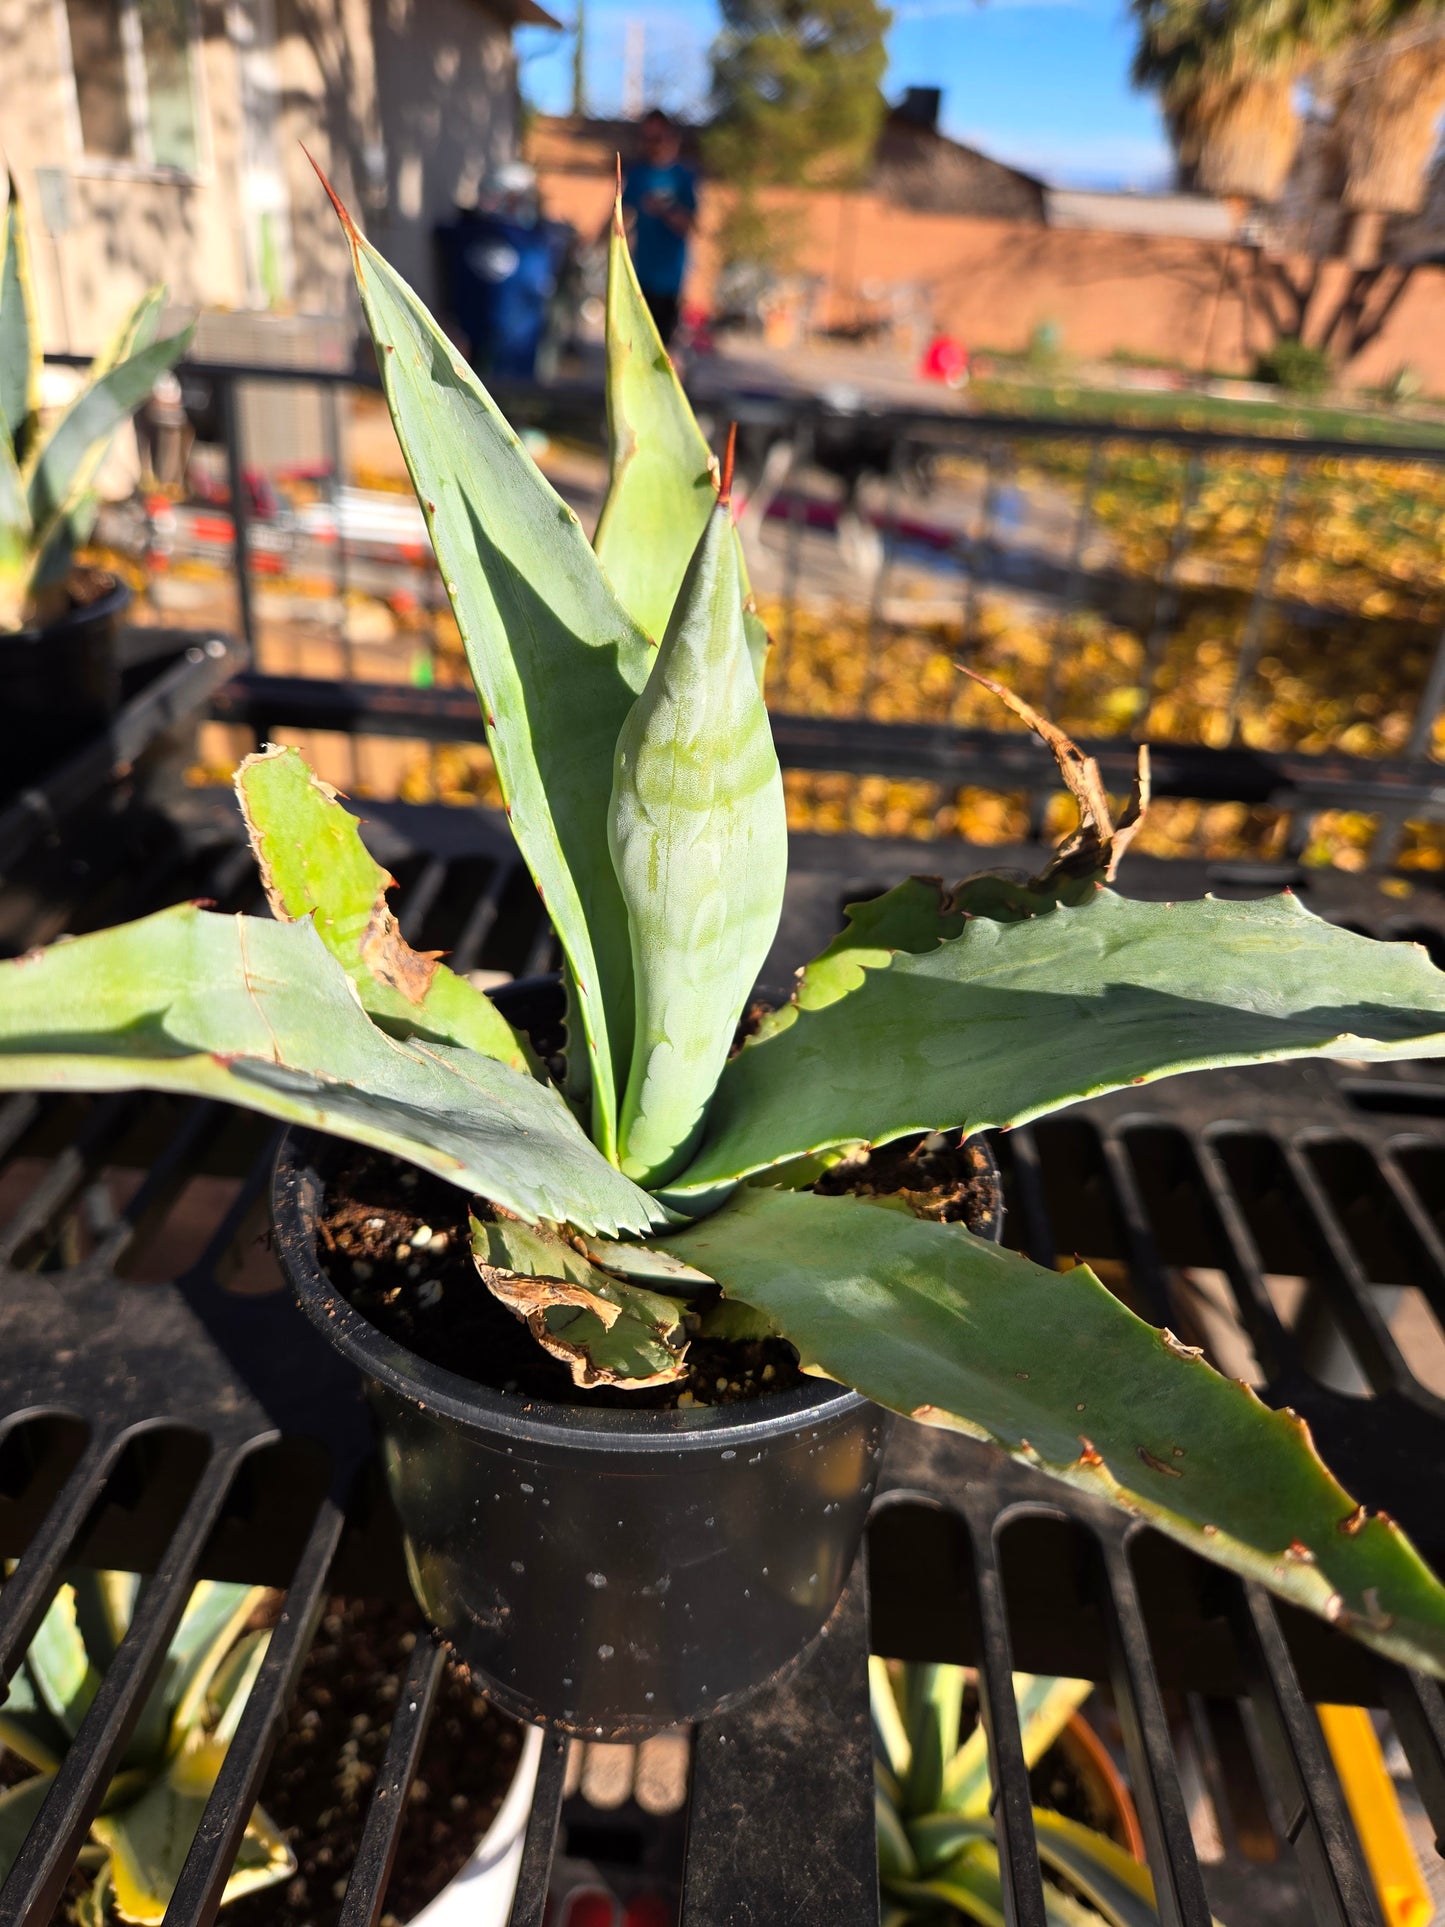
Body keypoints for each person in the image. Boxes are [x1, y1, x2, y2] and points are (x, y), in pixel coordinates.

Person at [619, 109, 697, 348]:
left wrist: (664, 211)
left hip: (668, 276)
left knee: (663, 343)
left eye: (657, 138)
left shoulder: (682, 176)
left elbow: (690, 224)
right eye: (646, 138)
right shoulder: (639, 175)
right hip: (641, 272)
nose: (651, 145)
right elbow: (621, 213)